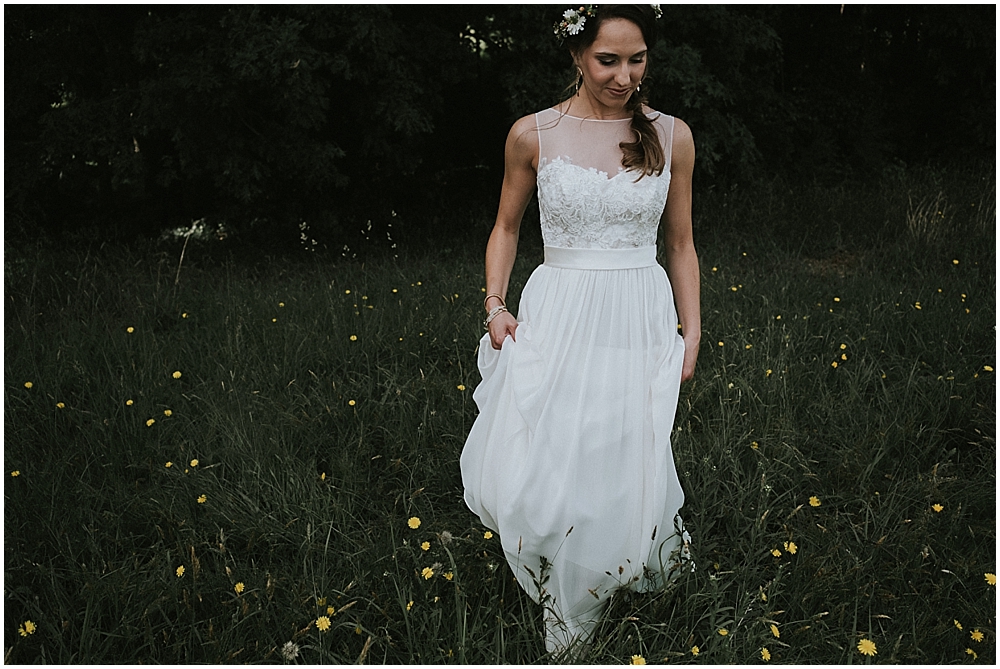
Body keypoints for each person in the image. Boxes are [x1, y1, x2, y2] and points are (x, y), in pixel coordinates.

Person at [460, 4, 700, 656]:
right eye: (608, 60)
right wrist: (494, 304)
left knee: (621, 444)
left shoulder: (672, 135)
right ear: (575, 55)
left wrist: (693, 328)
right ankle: (559, 575)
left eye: (637, 59)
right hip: (560, 307)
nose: (625, 75)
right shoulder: (531, 134)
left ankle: (606, 573)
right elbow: (507, 228)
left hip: (638, 309)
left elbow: (679, 242)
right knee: (554, 448)